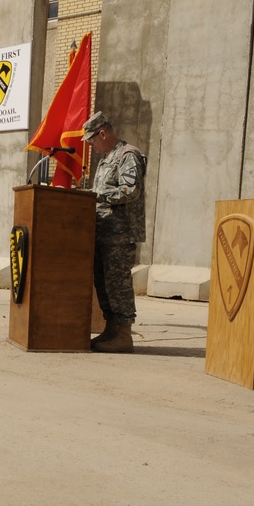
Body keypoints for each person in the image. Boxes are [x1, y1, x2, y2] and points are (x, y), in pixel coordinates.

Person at [82, 111, 146, 353]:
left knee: (117, 283)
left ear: (103, 133)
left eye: (92, 140)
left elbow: (131, 192)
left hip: (120, 233)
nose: (91, 145)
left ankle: (124, 334)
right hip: (102, 231)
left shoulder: (128, 155)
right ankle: (111, 329)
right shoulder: (107, 159)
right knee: (103, 282)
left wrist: (96, 196)